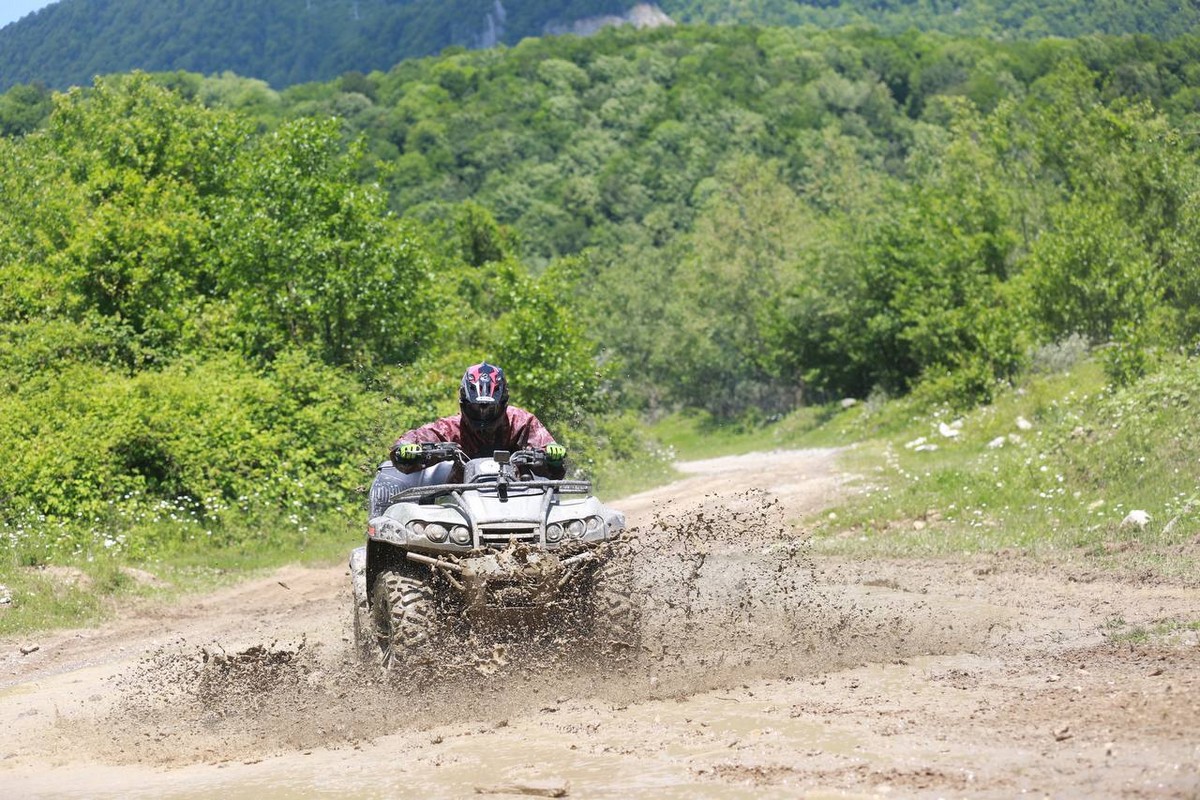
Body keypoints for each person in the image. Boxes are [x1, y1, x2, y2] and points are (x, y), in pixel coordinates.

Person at [368, 362, 567, 517]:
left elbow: (549, 449)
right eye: (477, 408)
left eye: (490, 408)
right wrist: (405, 449)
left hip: (520, 498)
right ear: (464, 404)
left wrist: (553, 454)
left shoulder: (522, 422)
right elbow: (412, 440)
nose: (483, 414)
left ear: (503, 404)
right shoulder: (451, 427)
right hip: (459, 505)